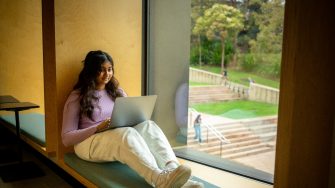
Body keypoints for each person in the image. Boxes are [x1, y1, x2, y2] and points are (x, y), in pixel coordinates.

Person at [61, 50, 197, 187]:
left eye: (109, 69)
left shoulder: (116, 91)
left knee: (148, 125)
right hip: (86, 144)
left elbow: (129, 114)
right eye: (101, 70)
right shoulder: (77, 97)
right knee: (126, 133)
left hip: (114, 136)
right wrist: (97, 128)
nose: (107, 74)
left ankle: (173, 172)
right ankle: (158, 179)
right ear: (90, 71)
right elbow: (66, 138)